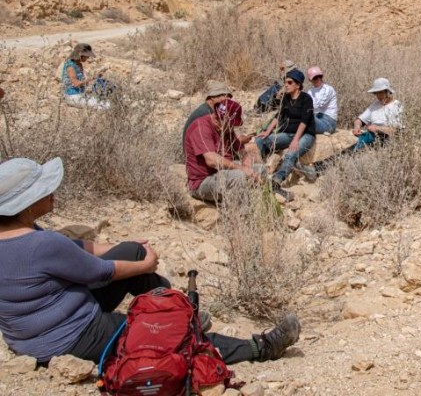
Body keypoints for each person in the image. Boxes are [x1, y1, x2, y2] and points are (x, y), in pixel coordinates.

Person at [0, 157, 300, 365]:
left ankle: (180, 313)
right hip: (71, 336)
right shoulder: (41, 244)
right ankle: (258, 348)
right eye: (45, 190)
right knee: (167, 337)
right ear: (27, 202)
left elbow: (76, 247)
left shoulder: (21, 234)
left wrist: (127, 248)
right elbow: (100, 272)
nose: (52, 193)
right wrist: (147, 265)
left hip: (32, 335)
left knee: (131, 250)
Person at [183, 98, 262, 203]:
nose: (232, 127)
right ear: (218, 118)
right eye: (231, 124)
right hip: (203, 181)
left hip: (223, 173)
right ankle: (242, 216)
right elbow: (211, 160)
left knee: (260, 169)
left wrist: (247, 166)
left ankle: (260, 207)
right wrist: (241, 168)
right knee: (237, 177)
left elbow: (241, 150)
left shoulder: (225, 128)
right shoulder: (201, 127)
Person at [255, 69, 317, 191]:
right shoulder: (286, 98)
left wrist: (295, 140)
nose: (286, 85)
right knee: (261, 140)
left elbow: (304, 121)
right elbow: (278, 116)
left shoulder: (306, 99)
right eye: (285, 82)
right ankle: (259, 170)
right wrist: (267, 132)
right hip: (289, 133)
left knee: (290, 154)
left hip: (305, 134)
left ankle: (277, 179)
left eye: (289, 82)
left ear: (298, 85)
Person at [351, 78, 403, 150]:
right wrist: (357, 127)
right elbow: (359, 120)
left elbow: (395, 130)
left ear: (387, 91)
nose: (378, 96)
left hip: (384, 138)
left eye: (380, 92)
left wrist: (377, 128)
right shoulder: (375, 104)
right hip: (370, 135)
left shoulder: (396, 105)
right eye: (376, 93)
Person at [182, 79, 233, 146]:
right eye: (225, 96)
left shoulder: (210, 110)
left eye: (229, 97)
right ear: (213, 97)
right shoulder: (204, 114)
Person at [60, 43, 110, 110]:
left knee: (106, 102)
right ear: (80, 55)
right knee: (104, 106)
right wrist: (93, 77)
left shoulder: (79, 64)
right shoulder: (70, 66)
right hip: (73, 96)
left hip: (81, 94)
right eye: (87, 56)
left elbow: (83, 82)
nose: (88, 57)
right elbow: (76, 84)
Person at [306, 66, 338, 134]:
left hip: (328, 121)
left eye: (320, 76)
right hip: (317, 117)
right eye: (315, 78)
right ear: (310, 80)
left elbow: (319, 105)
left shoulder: (328, 89)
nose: (318, 79)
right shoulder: (310, 91)